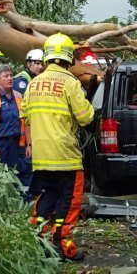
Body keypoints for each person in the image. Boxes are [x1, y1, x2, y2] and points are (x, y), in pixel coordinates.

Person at [21, 33, 94, 261]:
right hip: (65, 156)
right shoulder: (70, 83)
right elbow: (85, 118)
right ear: (69, 56)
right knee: (69, 201)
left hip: (42, 157)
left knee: (46, 198)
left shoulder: (33, 84)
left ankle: (37, 243)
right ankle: (64, 246)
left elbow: (25, 116)